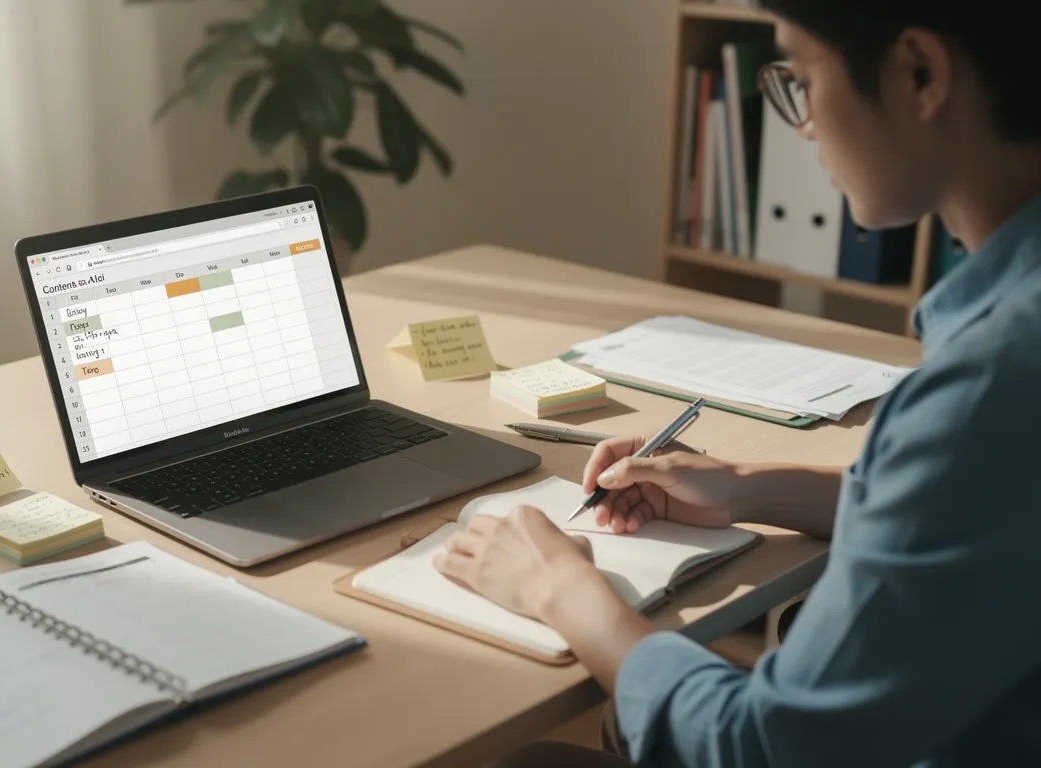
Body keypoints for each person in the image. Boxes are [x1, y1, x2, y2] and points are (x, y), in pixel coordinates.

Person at [434, 1, 1041, 765]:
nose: (802, 123)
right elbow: (984, 509)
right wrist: (749, 485)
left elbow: (763, 744)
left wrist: (557, 586)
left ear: (920, 75)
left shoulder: (991, 382)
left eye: (803, 76)